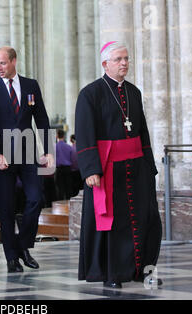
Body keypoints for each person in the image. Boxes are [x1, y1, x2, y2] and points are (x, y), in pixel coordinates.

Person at [75, 41, 162, 289]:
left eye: (126, 58)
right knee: (113, 223)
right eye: (118, 60)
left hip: (136, 168)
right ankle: (112, 273)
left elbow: (142, 130)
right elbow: (84, 133)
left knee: (145, 218)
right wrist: (90, 169)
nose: (124, 63)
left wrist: (149, 165)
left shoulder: (134, 92)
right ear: (105, 64)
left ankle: (142, 270)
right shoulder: (90, 93)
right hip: (108, 169)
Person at [0, 46, 54, 273]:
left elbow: (41, 118)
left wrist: (48, 150)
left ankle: (23, 246)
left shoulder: (31, 85)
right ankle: (11, 257)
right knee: (7, 207)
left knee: (35, 198)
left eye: (3, 63)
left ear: (14, 61)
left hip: (29, 151)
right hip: (3, 156)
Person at [55, 129, 73, 200]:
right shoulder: (69, 147)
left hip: (59, 169)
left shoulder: (54, 147)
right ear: (64, 136)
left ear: (57, 136)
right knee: (68, 188)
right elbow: (72, 159)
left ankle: (61, 206)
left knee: (60, 189)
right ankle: (69, 205)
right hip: (68, 169)